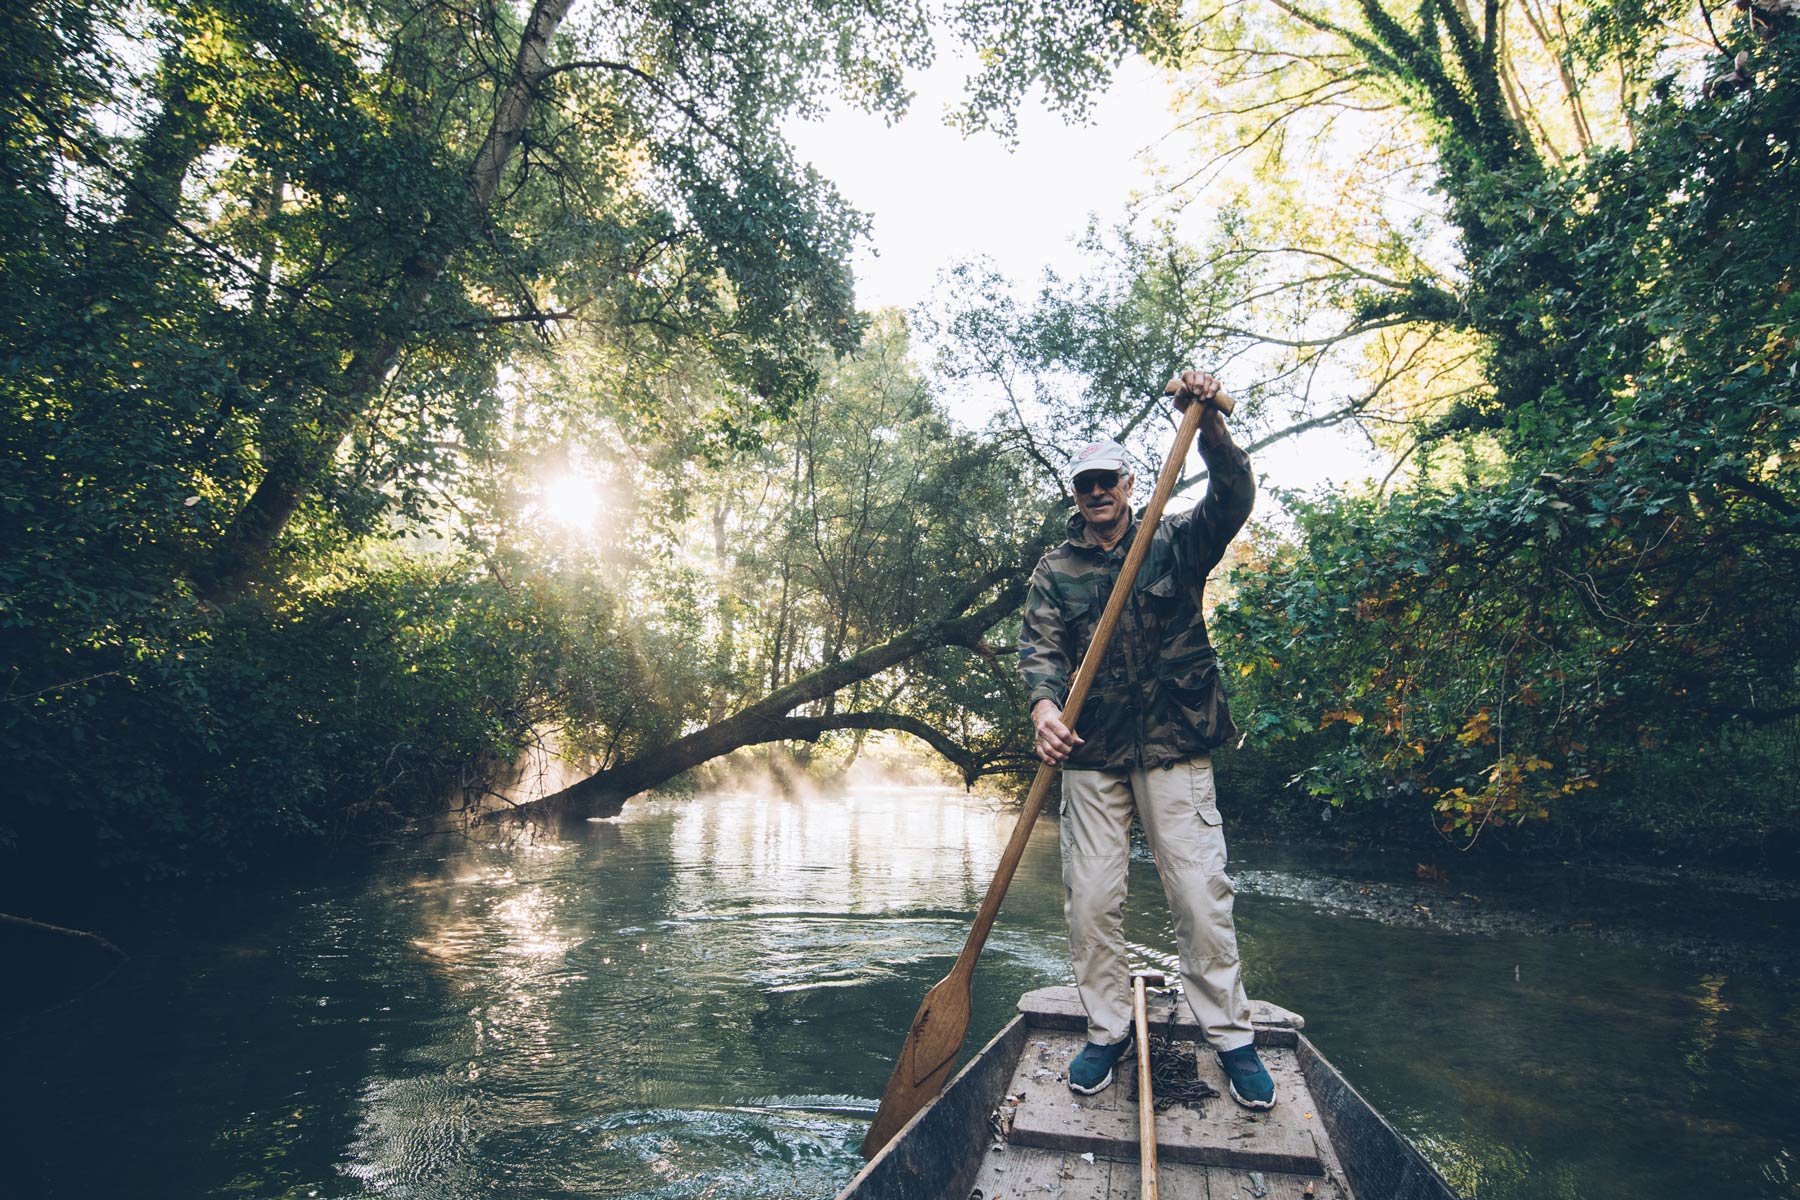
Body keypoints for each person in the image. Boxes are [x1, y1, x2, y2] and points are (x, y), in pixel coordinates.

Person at [1016, 370, 1274, 1109]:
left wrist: (1212, 424)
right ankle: (1105, 1031)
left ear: (1129, 483)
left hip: (1174, 744)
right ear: (1076, 496)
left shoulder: (1176, 541)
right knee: (1091, 902)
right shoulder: (1054, 570)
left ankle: (1229, 1035)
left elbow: (1234, 497)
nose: (1097, 493)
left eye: (1107, 480)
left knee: (1199, 897)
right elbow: (1039, 653)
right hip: (1092, 755)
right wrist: (1042, 710)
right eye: (1084, 485)